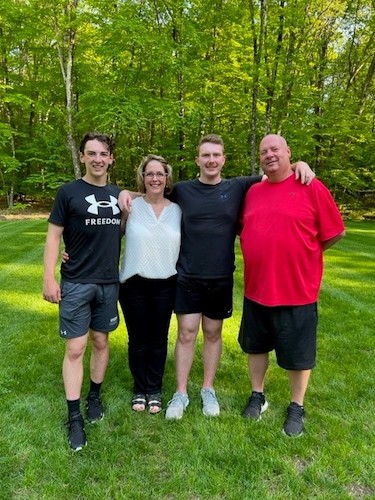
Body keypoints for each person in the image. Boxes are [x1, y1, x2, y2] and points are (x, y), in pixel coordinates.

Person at [119, 134, 315, 420]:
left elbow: (275, 170)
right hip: (187, 275)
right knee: (186, 333)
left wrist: (300, 163)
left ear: (223, 160)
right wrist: (127, 192)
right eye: (205, 155)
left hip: (220, 276)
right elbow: (152, 191)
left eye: (216, 155)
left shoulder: (238, 187)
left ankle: (207, 389)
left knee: (212, 333)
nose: (211, 160)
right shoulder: (183, 190)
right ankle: (181, 392)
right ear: (197, 159)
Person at [238, 134, 345, 437]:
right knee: (256, 346)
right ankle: (257, 395)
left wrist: (308, 254)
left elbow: (335, 232)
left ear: (289, 152)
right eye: (263, 151)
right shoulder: (253, 192)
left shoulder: (311, 186)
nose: (269, 155)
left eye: (275, 149)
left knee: (298, 354)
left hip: (297, 290)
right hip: (257, 288)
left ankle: (297, 405)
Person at [43, 132, 123, 451]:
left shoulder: (121, 196)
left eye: (103, 154)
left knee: (101, 340)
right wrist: (49, 278)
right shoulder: (68, 193)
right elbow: (53, 238)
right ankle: (74, 416)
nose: (98, 159)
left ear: (111, 158)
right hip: (75, 282)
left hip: (108, 283)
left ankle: (94, 397)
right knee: (75, 348)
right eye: (92, 153)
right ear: (82, 156)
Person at [118, 154, 181, 414]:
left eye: (160, 173)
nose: (155, 178)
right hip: (134, 283)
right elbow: (106, 235)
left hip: (166, 284)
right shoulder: (130, 205)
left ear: (167, 178)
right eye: (149, 173)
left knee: (159, 338)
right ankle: (139, 387)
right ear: (142, 178)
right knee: (138, 339)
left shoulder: (177, 209)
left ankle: (154, 388)